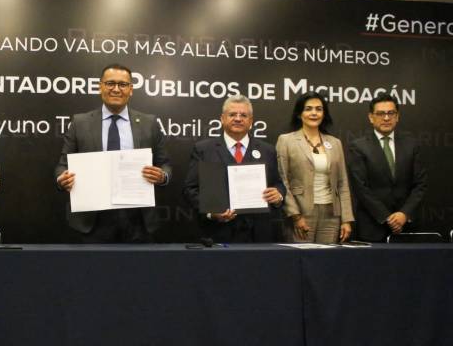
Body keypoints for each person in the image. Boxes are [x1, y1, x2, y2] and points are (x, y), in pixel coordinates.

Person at [54, 63, 172, 243]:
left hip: (138, 219)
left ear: (131, 89)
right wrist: (61, 179)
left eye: (123, 84)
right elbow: (62, 165)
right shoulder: (80, 123)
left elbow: (165, 164)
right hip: (92, 219)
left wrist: (162, 176)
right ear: (100, 87)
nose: (116, 89)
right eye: (110, 83)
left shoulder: (149, 123)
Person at [183, 95, 285, 242]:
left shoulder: (267, 150)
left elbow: (278, 184)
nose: (238, 119)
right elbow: (190, 190)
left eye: (243, 115)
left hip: (258, 234)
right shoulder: (204, 150)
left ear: (251, 121)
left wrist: (278, 195)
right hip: (217, 233)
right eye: (232, 114)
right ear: (222, 118)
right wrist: (211, 212)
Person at [347, 93, 427, 242]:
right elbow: (361, 188)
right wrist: (387, 218)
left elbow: (420, 185)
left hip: (407, 227)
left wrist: (404, 214)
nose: (386, 118)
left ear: (397, 116)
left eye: (391, 113)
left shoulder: (412, 145)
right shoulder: (358, 147)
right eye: (380, 114)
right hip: (372, 227)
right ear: (371, 117)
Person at [276, 91, 353, 243]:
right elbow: (282, 180)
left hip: (332, 214)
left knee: (327, 256)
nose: (314, 113)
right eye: (308, 109)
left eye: (319, 109)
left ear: (324, 114)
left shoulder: (335, 143)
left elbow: (342, 183)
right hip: (301, 213)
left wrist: (346, 219)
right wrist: (295, 215)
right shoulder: (286, 141)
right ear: (299, 114)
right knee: (301, 256)